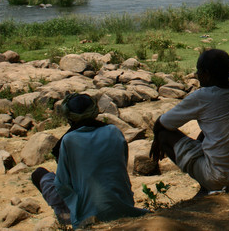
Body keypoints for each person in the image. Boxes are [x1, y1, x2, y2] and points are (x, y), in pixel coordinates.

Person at [150, 49, 229, 194]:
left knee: (164, 135)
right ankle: (210, 185)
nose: (197, 76)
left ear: (206, 74)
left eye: (198, 72)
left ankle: (208, 187)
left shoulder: (203, 96)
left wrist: (157, 140)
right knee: (205, 134)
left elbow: (161, 124)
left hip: (222, 178)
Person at [31, 93, 146, 229]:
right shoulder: (114, 131)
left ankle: (67, 220)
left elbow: (62, 184)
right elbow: (121, 166)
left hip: (89, 214)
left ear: (69, 117)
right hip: (124, 206)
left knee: (39, 174)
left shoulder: (69, 140)